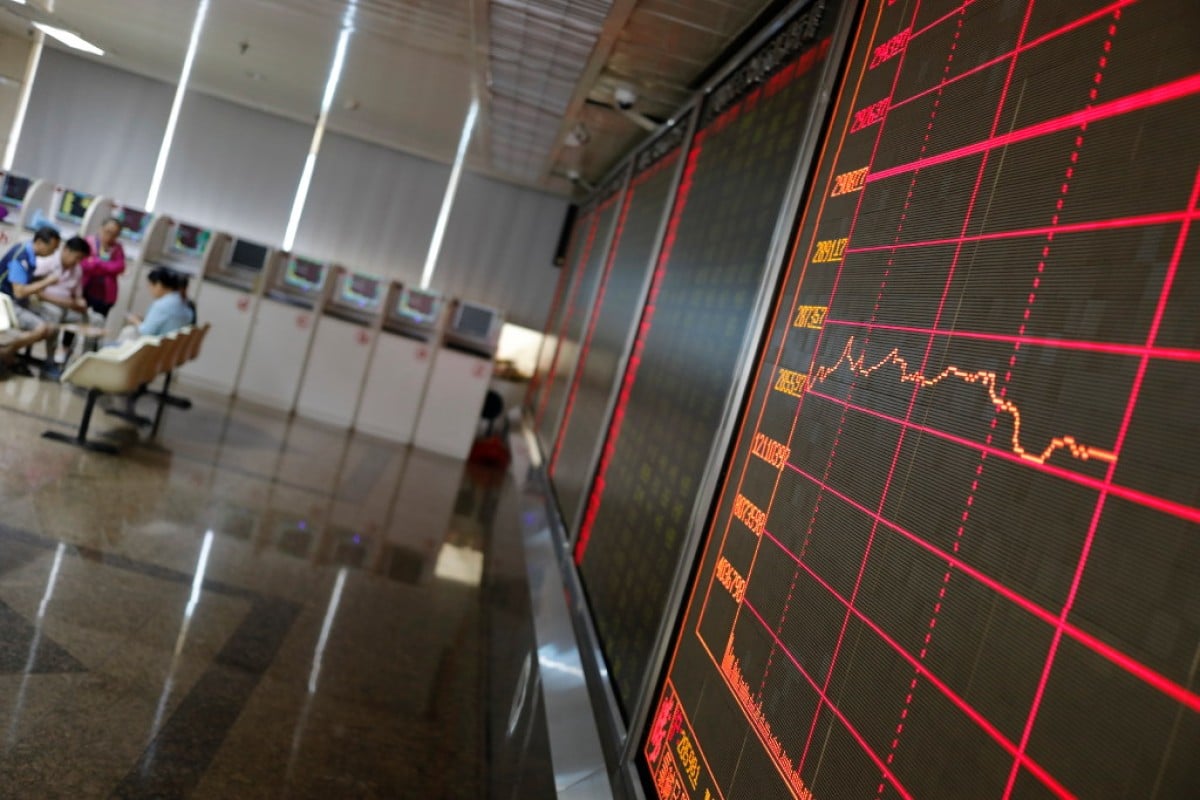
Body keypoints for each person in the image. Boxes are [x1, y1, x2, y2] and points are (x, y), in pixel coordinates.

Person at [0, 226, 62, 375]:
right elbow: (20, 292)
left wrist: (40, 279)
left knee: (54, 318)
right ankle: (6, 352)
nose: (53, 253)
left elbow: (21, 283)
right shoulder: (21, 257)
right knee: (41, 328)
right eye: (52, 248)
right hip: (5, 302)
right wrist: (47, 282)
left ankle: (49, 363)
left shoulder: (29, 255)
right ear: (39, 242)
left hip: (16, 300)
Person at [34, 236, 100, 366]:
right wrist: (64, 302)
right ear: (66, 250)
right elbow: (36, 292)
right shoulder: (47, 261)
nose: (78, 261)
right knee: (55, 314)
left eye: (81, 259)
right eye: (77, 257)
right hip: (44, 304)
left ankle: (87, 361)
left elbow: (78, 295)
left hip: (68, 308)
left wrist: (81, 302)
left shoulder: (77, 269)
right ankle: (50, 361)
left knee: (97, 320)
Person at [125, 267, 192, 338]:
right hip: (172, 343)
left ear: (158, 284)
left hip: (157, 342)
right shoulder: (182, 302)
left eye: (150, 285)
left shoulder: (161, 305)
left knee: (129, 331)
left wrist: (136, 321)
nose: (150, 290)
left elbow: (146, 331)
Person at [81, 217, 127, 318]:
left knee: (98, 321)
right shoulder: (89, 242)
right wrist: (107, 267)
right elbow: (84, 264)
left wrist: (96, 262)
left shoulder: (117, 248)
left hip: (105, 295)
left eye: (114, 234)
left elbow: (120, 267)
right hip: (85, 289)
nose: (110, 236)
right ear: (101, 228)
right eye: (108, 232)